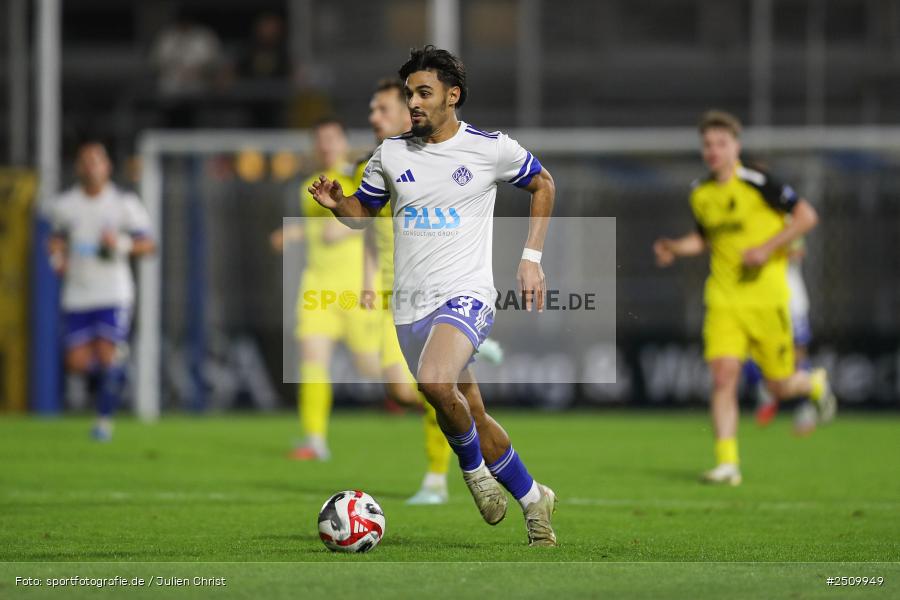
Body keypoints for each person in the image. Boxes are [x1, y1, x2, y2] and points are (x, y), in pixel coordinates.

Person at [309, 46, 558, 546]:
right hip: (409, 308)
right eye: (409, 94)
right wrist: (340, 203)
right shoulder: (391, 154)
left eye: (424, 93)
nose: (414, 103)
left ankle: (473, 475)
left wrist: (531, 259)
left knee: (433, 381)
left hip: (467, 295)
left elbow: (543, 183)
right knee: (468, 410)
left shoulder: (489, 148)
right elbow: (364, 213)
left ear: (453, 95)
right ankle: (534, 499)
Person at [653, 110, 837, 486]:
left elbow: (806, 216)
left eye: (721, 143)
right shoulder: (700, 193)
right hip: (723, 299)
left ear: (736, 146)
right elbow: (705, 239)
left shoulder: (758, 181)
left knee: (779, 386)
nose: (713, 150)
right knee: (724, 376)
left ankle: (814, 383)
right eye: (708, 144)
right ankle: (727, 463)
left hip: (767, 300)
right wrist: (675, 246)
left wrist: (767, 248)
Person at [275, 118, 381, 460]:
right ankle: (315, 440)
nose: (326, 145)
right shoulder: (307, 185)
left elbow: (374, 226)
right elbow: (318, 232)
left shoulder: (358, 179)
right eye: (320, 140)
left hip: (358, 288)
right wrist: (297, 234)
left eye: (332, 139)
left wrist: (350, 229)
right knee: (311, 359)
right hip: (318, 287)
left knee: (376, 369)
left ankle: (447, 377)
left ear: (344, 142)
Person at [47, 141, 156, 441]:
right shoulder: (65, 204)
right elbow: (56, 241)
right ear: (78, 168)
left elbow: (148, 244)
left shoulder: (123, 202)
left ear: (107, 166)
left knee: (107, 354)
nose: (91, 167)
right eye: (85, 161)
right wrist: (57, 257)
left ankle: (104, 422)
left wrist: (119, 244)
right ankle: (117, 376)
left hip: (113, 291)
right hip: (78, 291)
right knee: (77, 362)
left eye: (97, 160)